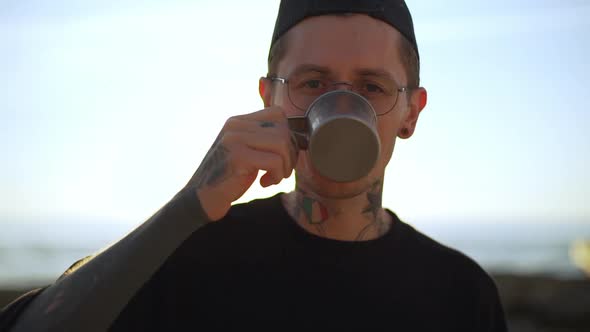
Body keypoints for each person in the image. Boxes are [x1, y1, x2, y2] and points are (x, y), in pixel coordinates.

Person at [0, 1, 508, 331]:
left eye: (372, 88)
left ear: (410, 113)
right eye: (312, 83)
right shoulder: (192, 252)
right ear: (269, 98)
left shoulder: (460, 292)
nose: (338, 107)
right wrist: (188, 206)